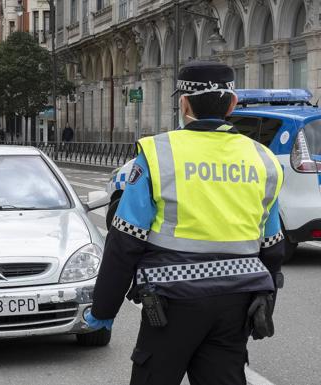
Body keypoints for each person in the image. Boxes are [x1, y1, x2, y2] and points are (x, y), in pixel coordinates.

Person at [85, 61, 285, 385]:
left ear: (184, 103)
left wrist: (104, 310)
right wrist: (267, 294)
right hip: (236, 305)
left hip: (171, 304)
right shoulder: (263, 160)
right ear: (232, 104)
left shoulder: (158, 154)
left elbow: (125, 240)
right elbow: (273, 248)